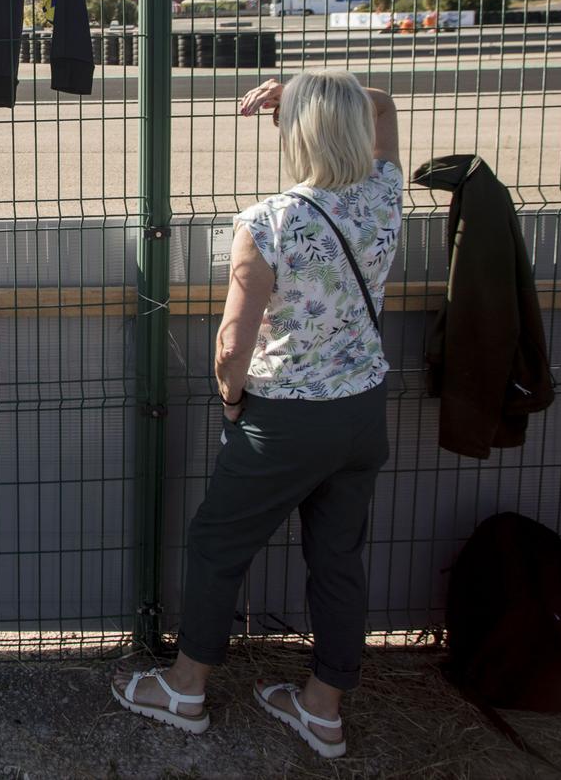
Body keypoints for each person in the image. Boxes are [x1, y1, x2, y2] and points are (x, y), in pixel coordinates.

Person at [111, 72, 402, 759]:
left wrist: (234, 401)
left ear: (292, 132)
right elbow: (386, 104)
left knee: (217, 544)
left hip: (286, 420)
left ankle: (185, 688)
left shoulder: (269, 220)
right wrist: (317, 89)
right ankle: (322, 709)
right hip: (363, 413)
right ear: (354, 129)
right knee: (338, 558)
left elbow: (231, 346)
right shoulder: (384, 197)